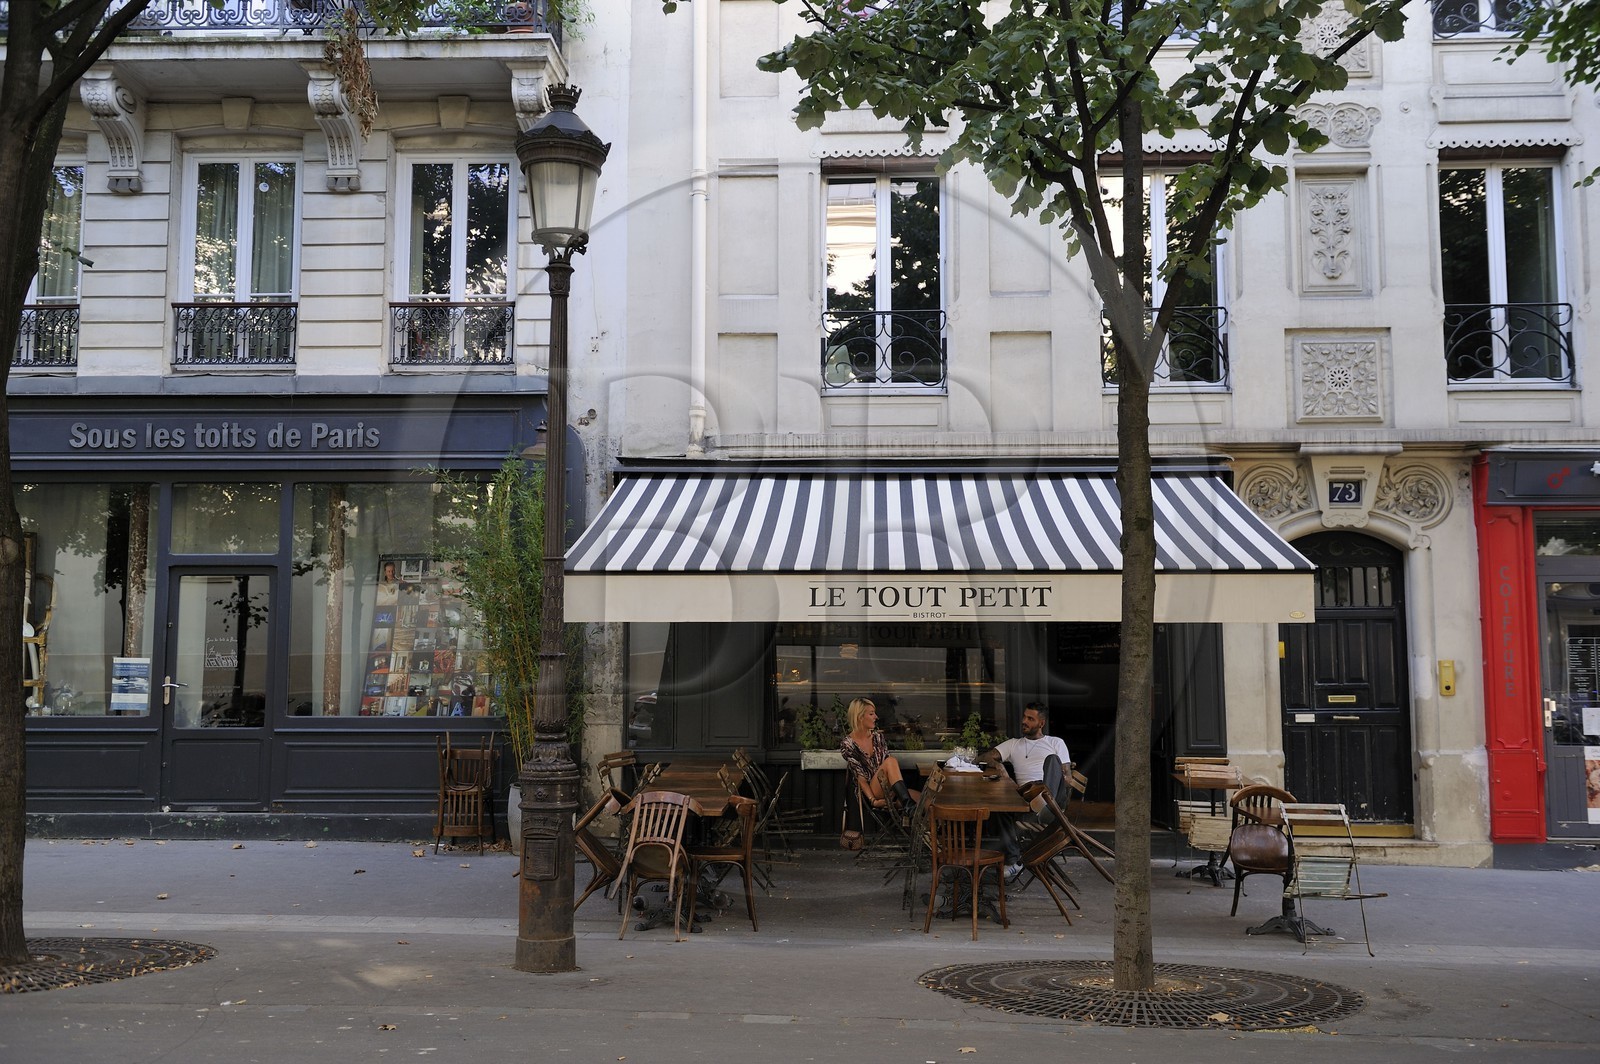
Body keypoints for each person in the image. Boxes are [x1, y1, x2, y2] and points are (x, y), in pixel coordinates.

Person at [982, 703, 1071, 879]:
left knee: (1052, 760)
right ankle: (1014, 860)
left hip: (1053, 798)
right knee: (997, 810)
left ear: (1041, 723)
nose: (1024, 721)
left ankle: (1046, 804)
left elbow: (1067, 777)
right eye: (1024, 717)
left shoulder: (1055, 742)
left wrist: (1048, 785)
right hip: (1026, 798)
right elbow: (985, 757)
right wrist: (998, 765)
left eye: (1030, 719)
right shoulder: (1014, 744)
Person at [840, 697, 918, 815]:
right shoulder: (848, 744)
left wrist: (893, 789)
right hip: (871, 792)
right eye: (871, 714)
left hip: (890, 789)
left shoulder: (878, 737)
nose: (876, 717)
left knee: (926, 801)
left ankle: (933, 829)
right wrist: (873, 801)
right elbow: (861, 778)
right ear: (860, 717)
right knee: (890, 761)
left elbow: (888, 769)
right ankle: (908, 806)